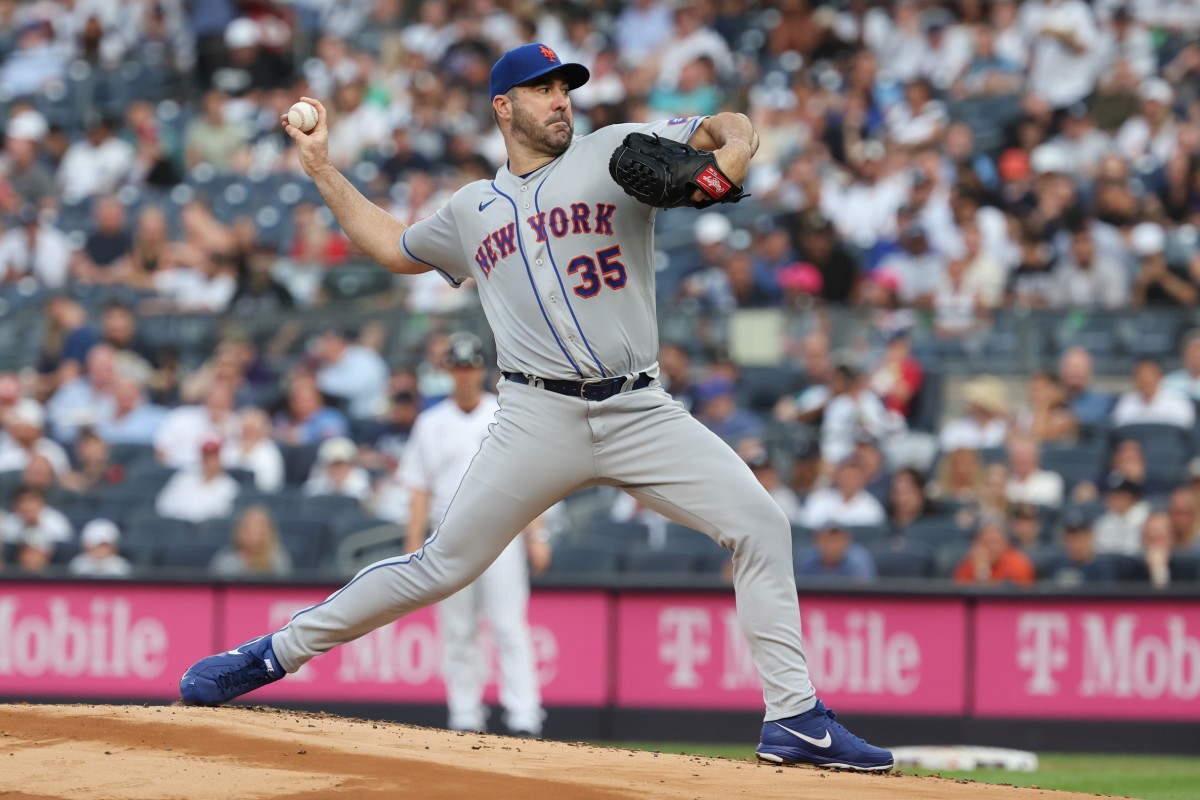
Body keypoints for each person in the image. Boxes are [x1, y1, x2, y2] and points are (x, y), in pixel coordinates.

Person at [179, 43, 893, 771]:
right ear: (503, 106)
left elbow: (723, 127)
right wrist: (324, 170)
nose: (560, 99)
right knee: (441, 565)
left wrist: (732, 150)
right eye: (542, 88)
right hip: (535, 416)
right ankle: (271, 655)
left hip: (640, 409)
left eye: (565, 87)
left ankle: (795, 718)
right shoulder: (471, 209)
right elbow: (394, 247)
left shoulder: (615, 151)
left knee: (761, 525)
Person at [402, 332, 550, 737]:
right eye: (458, 366)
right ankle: (465, 718)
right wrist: (412, 547)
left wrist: (537, 535)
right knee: (458, 632)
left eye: (471, 366)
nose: (465, 374)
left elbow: (526, 480)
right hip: (447, 538)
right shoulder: (430, 423)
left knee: (509, 626)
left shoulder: (503, 413)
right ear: (448, 370)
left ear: (482, 369)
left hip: (502, 534)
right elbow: (418, 490)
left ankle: (524, 717)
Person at [209, 505, 294, 578]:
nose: (254, 537)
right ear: (239, 532)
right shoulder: (225, 560)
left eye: (260, 531)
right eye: (249, 530)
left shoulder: (278, 559)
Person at [68, 518, 133, 578]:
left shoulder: (122, 567)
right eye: (94, 546)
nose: (99, 550)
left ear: (113, 547)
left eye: (103, 546)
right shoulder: (78, 565)